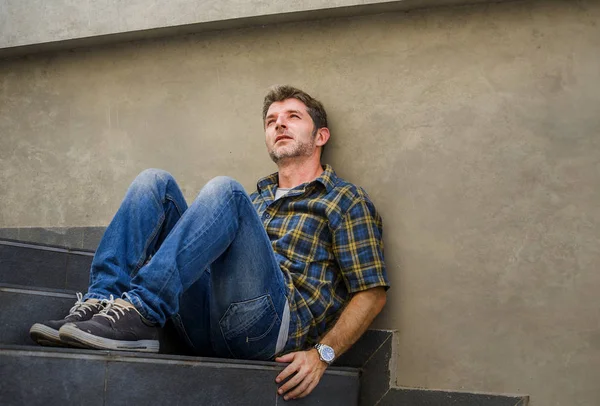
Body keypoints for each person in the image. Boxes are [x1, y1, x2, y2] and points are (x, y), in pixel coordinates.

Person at [29, 85, 389, 400]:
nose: (278, 124)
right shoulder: (256, 199)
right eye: (271, 120)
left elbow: (371, 292)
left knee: (225, 191)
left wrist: (322, 354)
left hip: (267, 328)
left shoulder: (343, 200)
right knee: (153, 182)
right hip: (202, 320)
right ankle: (101, 299)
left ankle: (141, 311)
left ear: (321, 136)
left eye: (293, 117)